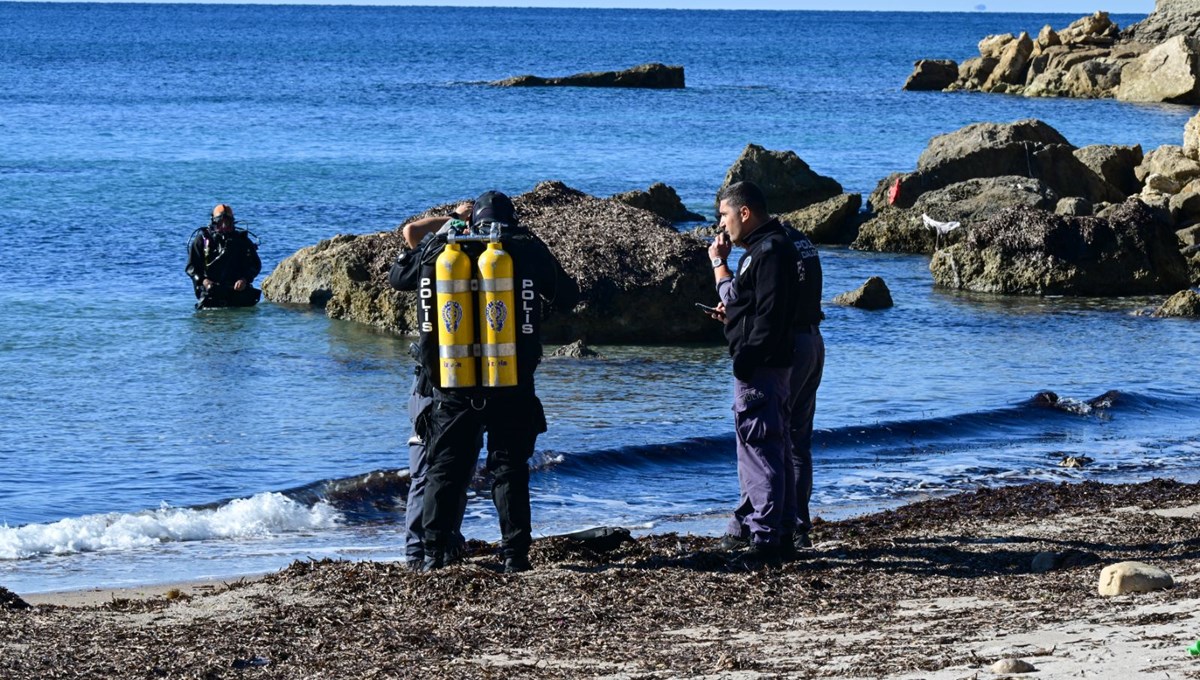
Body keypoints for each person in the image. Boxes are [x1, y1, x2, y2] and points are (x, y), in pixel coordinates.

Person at [394, 191, 578, 573]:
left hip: (452, 381)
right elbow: (567, 294)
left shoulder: (445, 249)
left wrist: (446, 227)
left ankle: (433, 556)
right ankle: (514, 555)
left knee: (445, 469)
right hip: (510, 380)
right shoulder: (523, 247)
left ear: (472, 218)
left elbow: (400, 276)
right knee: (508, 469)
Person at [706, 181, 800, 566]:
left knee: (760, 451)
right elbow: (755, 307)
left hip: (762, 366)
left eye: (725, 216)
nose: (722, 225)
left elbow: (770, 315)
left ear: (745, 213)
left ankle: (766, 538)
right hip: (771, 363)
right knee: (773, 449)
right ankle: (779, 530)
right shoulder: (767, 249)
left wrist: (747, 356)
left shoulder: (769, 250)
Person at [389, 201, 474, 571]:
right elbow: (410, 234)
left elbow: (411, 234)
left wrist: (456, 219)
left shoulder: (468, 254)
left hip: (450, 380)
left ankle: (436, 544)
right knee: (437, 469)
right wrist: (456, 220)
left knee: (446, 469)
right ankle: (422, 550)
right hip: (447, 382)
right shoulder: (453, 251)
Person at [185, 204, 262, 308]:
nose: (225, 226)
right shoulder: (202, 241)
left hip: (237, 292)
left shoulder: (242, 241)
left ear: (233, 222)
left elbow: (255, 265)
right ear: (214, 222)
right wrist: (204, 281)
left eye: (228, 223)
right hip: (211, 292)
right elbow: (191, 267)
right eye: (221, 223)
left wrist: (244, 280)